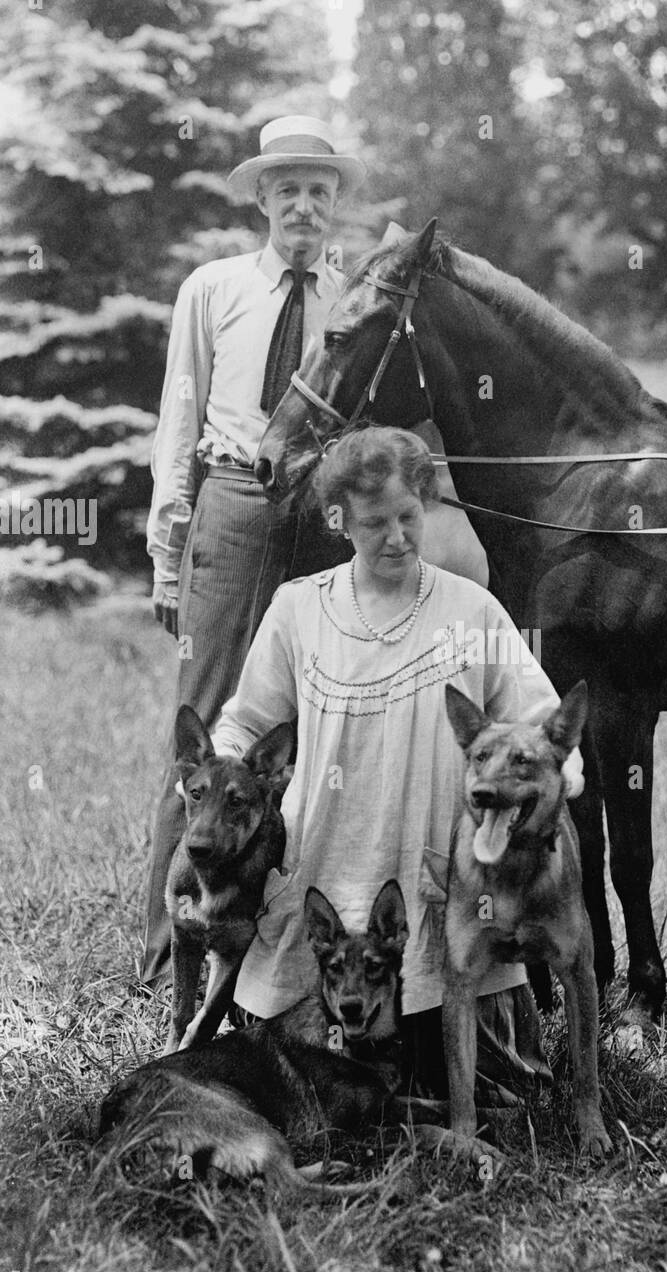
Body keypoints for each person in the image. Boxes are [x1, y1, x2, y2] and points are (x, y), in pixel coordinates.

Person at [210, 425, 584, 1097]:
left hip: (443, 880)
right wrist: (218, 786)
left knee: (481, 1090)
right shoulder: (299, 609)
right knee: (305, 1091)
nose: (398, 537)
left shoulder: (470, 609)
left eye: (409, 516)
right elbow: (246, 721)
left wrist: (553, 795)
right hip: (327, 867)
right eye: (374, 523)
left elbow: (536, 717)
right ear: (337, 520)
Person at [140, 117, 366, 989]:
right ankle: (169, 945)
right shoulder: (214, 287)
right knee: (200, 722)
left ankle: (277, 943)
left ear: (334, 202)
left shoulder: (353, 300)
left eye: (319, 190)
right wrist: (170, 551)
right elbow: (179, 417)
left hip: (318, 512)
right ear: (263, 201)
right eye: (287, 190)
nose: (303, 205)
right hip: (232, 500)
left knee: (302, 722)